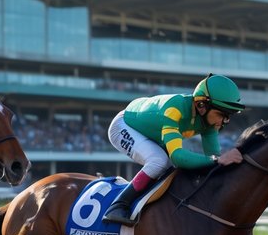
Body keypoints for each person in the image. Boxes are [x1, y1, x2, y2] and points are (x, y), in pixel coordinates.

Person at [103, 72, 246, 226]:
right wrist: (216, 160)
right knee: (159, 161)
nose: (224, 121)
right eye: (221, 114)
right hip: (124, 126)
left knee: (172, 171)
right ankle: (118, 205)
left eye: (228, 116)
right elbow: (178, 156)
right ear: (201, 105)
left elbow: (213, 160)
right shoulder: (175, 108)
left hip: (152, 132)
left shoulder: (209, 123)